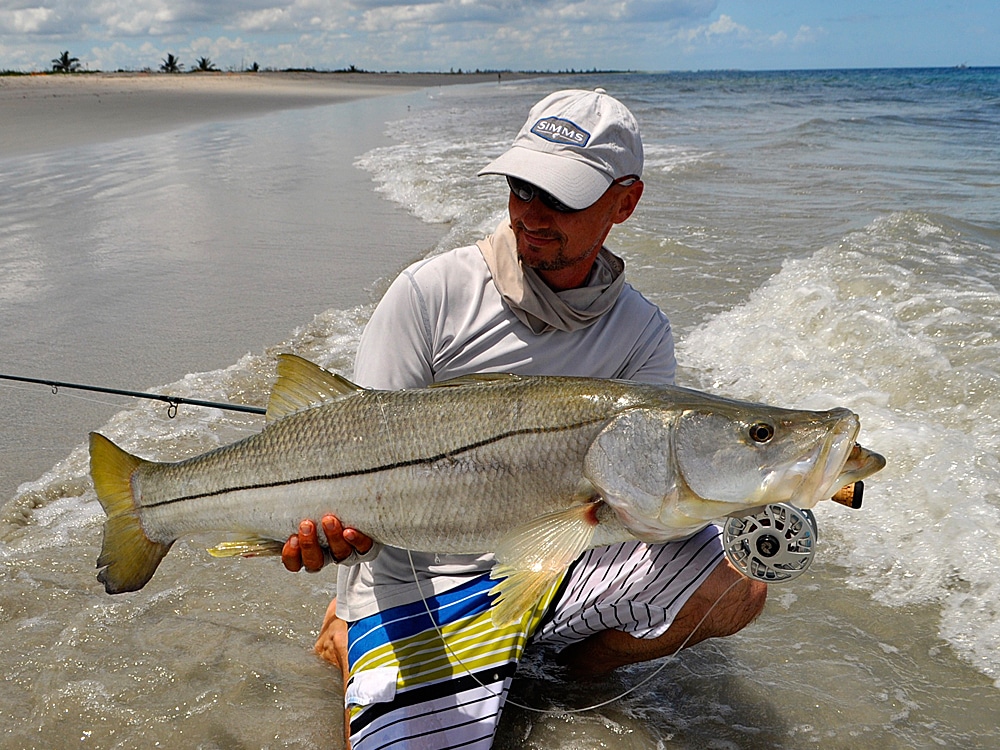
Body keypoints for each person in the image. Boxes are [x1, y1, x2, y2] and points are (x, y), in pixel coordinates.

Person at [282, 88, 767, 749]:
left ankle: (558, 673)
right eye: (521, 186)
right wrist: (347, 578)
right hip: (421, 574)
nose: (530, 213)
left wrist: (745, 493)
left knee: (737, 584)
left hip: (560, 560)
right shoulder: (429, 295)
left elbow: (642, 506)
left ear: (626, 201)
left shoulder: (642, 333)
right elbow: (359, 455)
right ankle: (354, 631)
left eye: (561, 196)